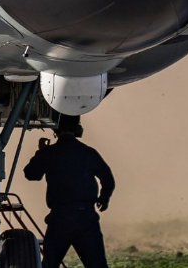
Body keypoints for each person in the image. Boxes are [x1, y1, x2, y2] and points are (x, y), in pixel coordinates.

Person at [22, 115, 114, 268]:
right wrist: (104, 199)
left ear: (55, 129)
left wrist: (41, 152)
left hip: (60, 219)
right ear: (78, 129)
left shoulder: (50, 153)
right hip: (87, 219)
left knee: (49, 265)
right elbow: (108, 179)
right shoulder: (89, 153)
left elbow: (31, 174)